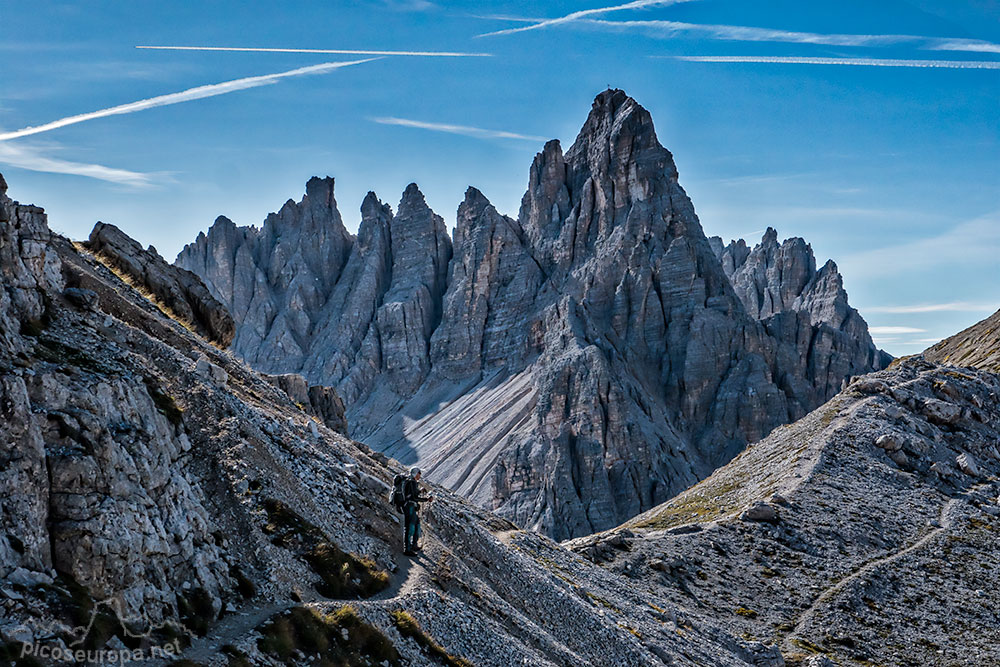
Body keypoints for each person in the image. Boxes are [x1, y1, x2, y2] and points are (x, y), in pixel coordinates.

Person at [402, 467, 432, 556]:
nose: (420, 475)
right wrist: (426, 499)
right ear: (415, 473)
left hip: (410, 506)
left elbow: (413, 494)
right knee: (410, 527)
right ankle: (407, 549)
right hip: (409, 507)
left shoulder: (412, 482)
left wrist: (419, 491)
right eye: (419, 473)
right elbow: (413, 497)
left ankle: (413, 545)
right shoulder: (411, 482)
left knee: (416, 525)